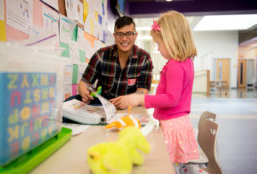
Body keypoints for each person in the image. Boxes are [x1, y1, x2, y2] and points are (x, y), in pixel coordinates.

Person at [110, 11, 199, 172]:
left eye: (159, 44)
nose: (158, 49)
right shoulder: (186, 62)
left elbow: (171, 99)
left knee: (165, 167)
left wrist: (139, 99)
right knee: (175, 167)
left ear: (171, 40)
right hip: (179, 124)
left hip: (172, 126)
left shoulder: (175, 65)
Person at [78, 16, 153, 109]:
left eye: (129, 34)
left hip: (131, 108)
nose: (124, 38)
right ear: (114, 36)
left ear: (135, 35)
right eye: (120, 34)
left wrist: (129, 100)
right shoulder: (101, 55)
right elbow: (84, 82)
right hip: (104, 107)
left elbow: (143, 89)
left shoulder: (144, 58)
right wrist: (84, 92)